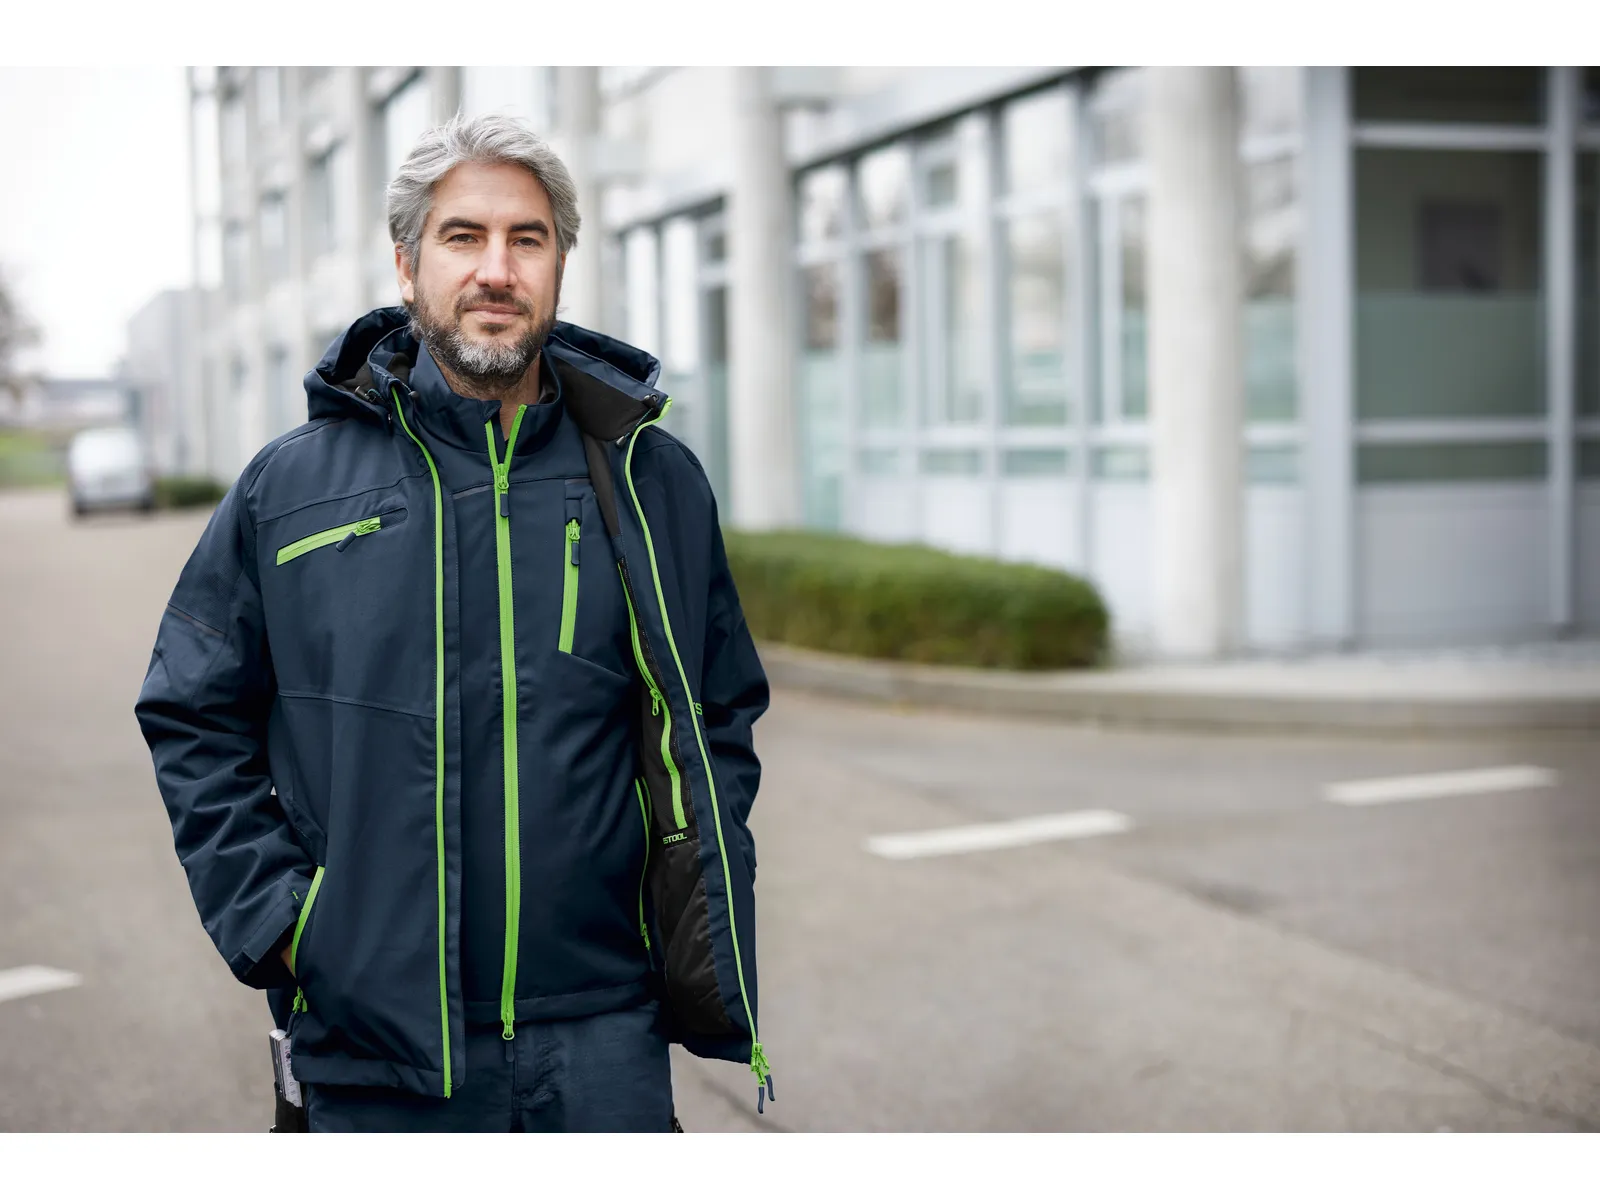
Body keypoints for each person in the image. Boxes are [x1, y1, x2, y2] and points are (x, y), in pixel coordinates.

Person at [134, 113, 772, 1133]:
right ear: (406, 264)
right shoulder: (288, 490)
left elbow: (720, 709)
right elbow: (190, 712)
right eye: (462, 237)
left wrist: (685, 898)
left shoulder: (655, 481)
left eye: (527, 238)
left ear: (561, 260)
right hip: (377, 1040)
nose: (496, 269)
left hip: (608, 1034)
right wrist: (291, 925)